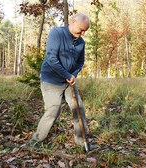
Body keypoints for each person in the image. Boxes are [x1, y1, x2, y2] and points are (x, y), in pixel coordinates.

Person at [30, 13, 94, 150]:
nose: (82, 33)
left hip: (68, 81)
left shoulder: (81, 42)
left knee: (79, 109)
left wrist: (73, 74)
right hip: (51, 79)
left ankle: (82, 143)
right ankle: (36, 141)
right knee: (54, 109)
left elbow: (80, 62)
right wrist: (66, 74)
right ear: (73, 22)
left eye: (85, 31)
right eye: (81, 29)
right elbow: (51, 58)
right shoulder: (57, 33)